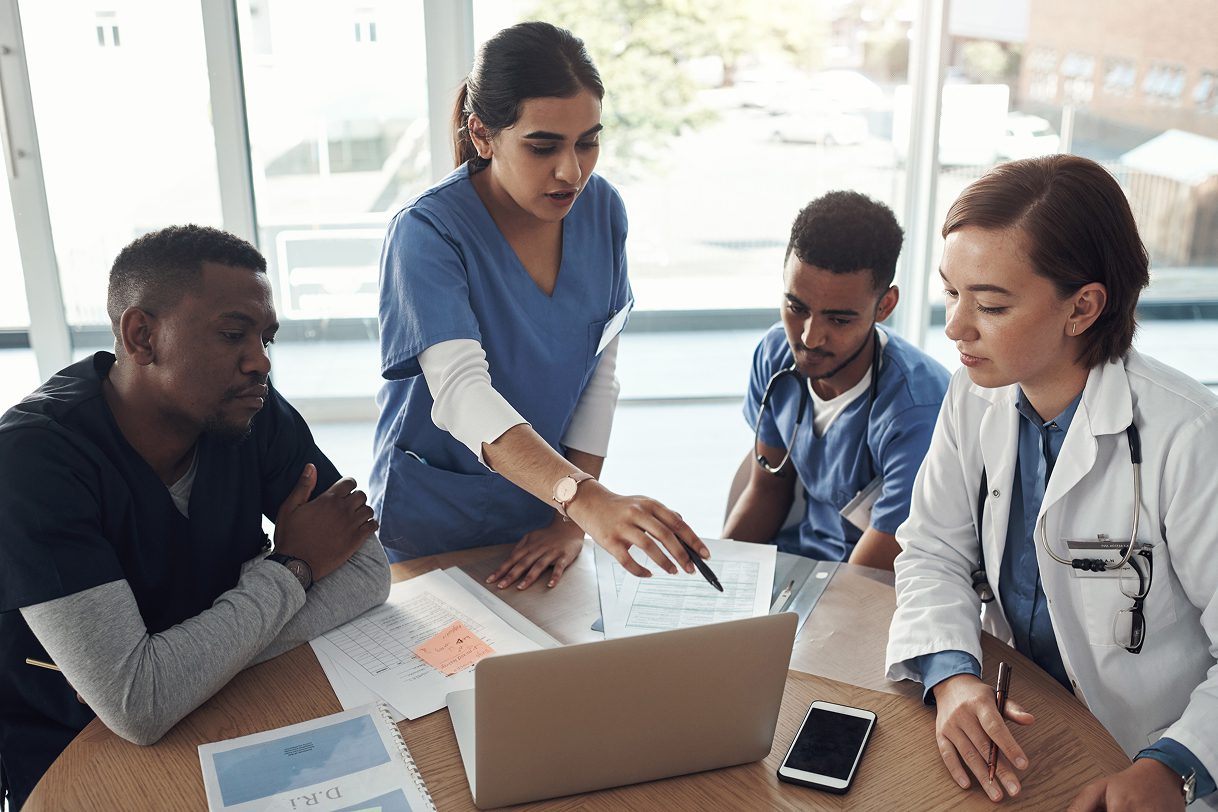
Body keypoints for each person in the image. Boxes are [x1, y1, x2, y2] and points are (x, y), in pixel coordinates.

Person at [0, 225, 391, 810]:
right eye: (233, 334)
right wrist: (292, 567)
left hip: (228, 710)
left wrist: (184, 667)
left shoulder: (250, 410)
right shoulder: (32, 461)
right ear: (142, 336)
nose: (260, 362)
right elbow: (138, 705)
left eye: (266, 339)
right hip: (78, 752)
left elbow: (368, 574)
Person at [885, 155, 1216, 811]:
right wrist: (951, 674)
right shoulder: (974, 394)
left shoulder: (1190, 437)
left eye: (991, 304)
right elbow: (932, 551)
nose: (954, 327)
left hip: (1147, 764)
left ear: (1082, 307)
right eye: (951, 293)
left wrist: (1174, 767)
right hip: (1026, 733)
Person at [370, 21, 708, 589]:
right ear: (482, 135)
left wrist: (568, 521)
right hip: (434, 519)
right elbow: (461, 395)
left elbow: (599, 377)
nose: (571, 171)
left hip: (545, 507)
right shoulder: (426, 233)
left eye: (587, 142)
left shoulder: (602, 211)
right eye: (543, 146)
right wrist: (585, 498)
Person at [723, 192, 950, 570]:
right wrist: (716, 574)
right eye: (796, 308)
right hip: (796, 562)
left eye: (839, 320)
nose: (809, 338)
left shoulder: (918, 411)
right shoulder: (775, 354)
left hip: (872, 584)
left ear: (885, 306)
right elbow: (767, 491)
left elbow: (870, 573)